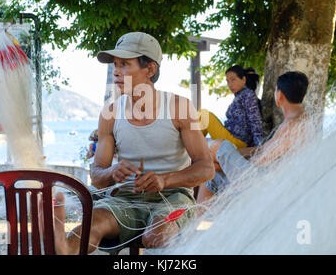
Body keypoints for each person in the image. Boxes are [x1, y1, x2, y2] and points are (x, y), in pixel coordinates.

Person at [53, 32, 214, 254]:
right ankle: (65, 248)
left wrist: (164, 180)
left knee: (157, 234)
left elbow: (206, 168)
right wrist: (112, 171)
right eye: (115, 65)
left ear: (150, 69)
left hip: (173, 197)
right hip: (125, 198)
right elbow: (98, 177)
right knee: (93, 224)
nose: (116, 72)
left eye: (125, 65)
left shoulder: (180, 107)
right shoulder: (109, 113)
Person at [197, 71, 311, 205]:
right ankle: (200, 225)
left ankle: (194, 157)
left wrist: (223, 163)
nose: (230, 84)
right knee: (210, 176)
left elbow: (259, 161)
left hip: (258, 182)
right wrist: (226, 159)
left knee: (217, 145)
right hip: (262, 177)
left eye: (233, 79)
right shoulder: (300, 119)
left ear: (279, 95)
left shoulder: (292, 125)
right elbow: (262, 150)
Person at [199, 65, 263, 149]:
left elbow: (255, 121)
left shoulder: (248, 95)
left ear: (243, 79)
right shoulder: (240, 95)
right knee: (201, 115)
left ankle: (190, 145)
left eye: (233, 80)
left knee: (204, 115)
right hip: (230, 137)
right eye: (228, 81)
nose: (230, 85)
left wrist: (259, 147)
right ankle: (191, 144)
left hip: (237, 141)